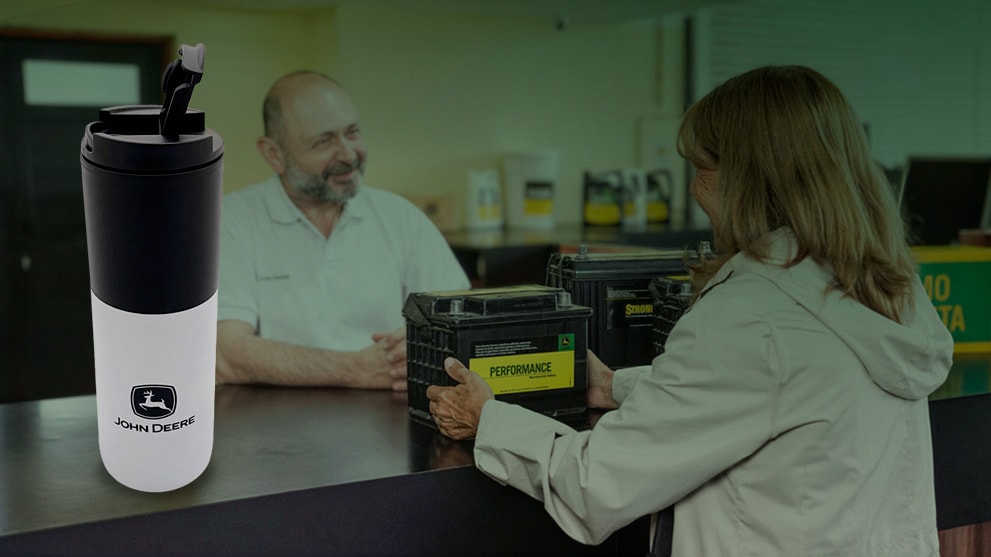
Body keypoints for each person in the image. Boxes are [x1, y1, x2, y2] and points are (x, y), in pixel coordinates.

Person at [426, 65, 953, 555]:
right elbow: (773, 393)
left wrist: (488, 419)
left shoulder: (750, 315)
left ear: (749, 180)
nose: (695, 188)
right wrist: (614, 386)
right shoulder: (884, 288)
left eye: (701, 168)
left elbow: (597, 484)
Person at [216, 71, 470, 391]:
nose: (348, 154)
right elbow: (225, 353)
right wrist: (355, 369)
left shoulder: (400, 217)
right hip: (271, 423)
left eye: (352, 132)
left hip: (390, 419)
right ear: (274, 154)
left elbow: (461, 326)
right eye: (324, 141)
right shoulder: (233, 221)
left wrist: (426, 346)